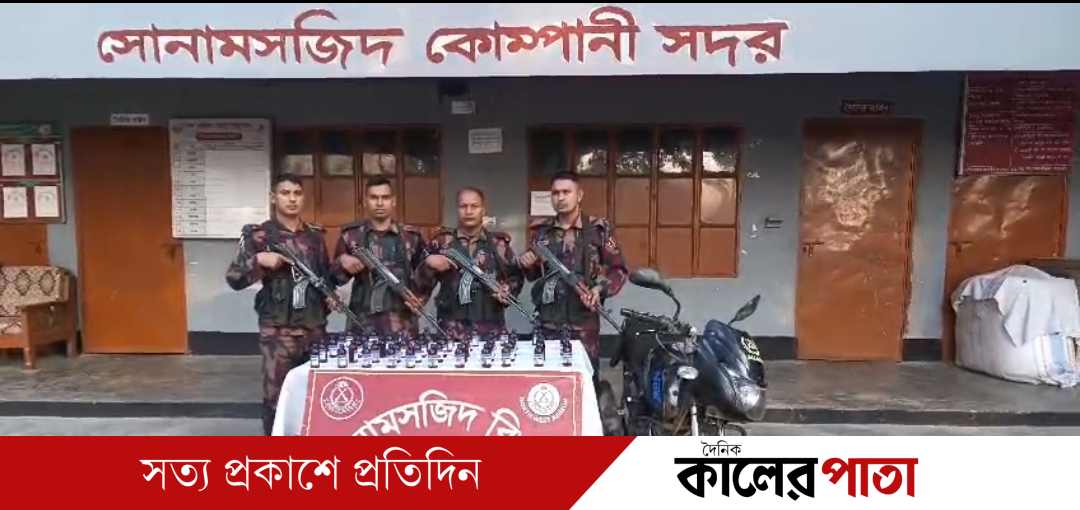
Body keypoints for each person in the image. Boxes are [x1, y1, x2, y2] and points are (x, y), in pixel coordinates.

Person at [225, 173, 334, 436]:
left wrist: (330, 295)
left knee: (316, 394)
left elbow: (325, 276)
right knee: (276, 397)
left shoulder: (314, 236)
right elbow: (234, 278)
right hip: (278, 330)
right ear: (273, 197)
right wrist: (259, 261)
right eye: (285, 193)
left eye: (297, 193)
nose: (292, 199)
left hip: (314, 328)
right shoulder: (259, 236)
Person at [517, 171, 629, 373]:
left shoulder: (598, 230)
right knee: (546, 379)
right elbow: (533, 276)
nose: (560, 198)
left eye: (566, 192)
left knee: (585, 378)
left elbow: (618, 269)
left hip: (583, 324)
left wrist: (599, 289)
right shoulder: (540, 232)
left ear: (579, 195)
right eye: (555, 193)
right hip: (547, 323)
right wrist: (527, 263)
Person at [414, 186, 524, 340]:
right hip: (451, 331)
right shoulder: (441, 242)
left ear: (483, 210)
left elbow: (515, 277)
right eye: (463, 206)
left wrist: (508, 289)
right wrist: (428, 264)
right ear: (457, 210)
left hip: (491, 330)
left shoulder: (498, 244)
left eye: (474, 206)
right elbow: (419, 288)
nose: (469, 211)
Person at [331, 176, 427, 336]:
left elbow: (425, 276)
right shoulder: (351, 235)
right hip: (362, 323)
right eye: (374, 197)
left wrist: (421, 298)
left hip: (403, 323)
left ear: (393, 201)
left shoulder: (411, 237)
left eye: (385, 197)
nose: (380, 203)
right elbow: (335, 278)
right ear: (365, 201)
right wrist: (342, 261)